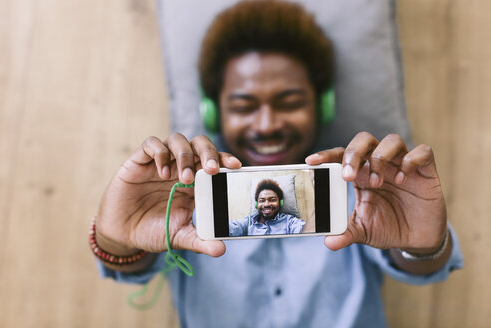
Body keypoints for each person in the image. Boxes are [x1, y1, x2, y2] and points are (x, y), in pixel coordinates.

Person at [92, 1, 462, 327]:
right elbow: (129, 268)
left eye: (288, 101)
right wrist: (115, 239)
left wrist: (424, 247)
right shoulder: (185, 193)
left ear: (322, 106)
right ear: (212, 112)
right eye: (243, 105)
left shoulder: (361, 187)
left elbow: (423, 268)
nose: (267, 124)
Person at [229, 179, 305, 236]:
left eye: (272, 200)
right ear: (256, 204)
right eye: (262, 200)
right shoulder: (248, 222)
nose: (266, 204)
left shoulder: (289, 222)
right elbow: (232, 228)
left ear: (280, 203)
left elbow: (303, 230)